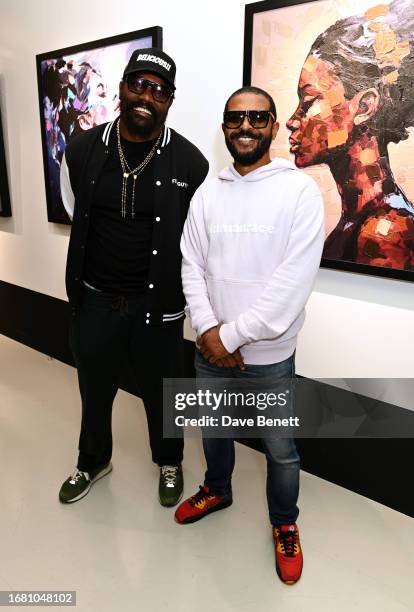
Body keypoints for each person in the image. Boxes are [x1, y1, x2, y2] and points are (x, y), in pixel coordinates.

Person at [176, 86, 324, 584]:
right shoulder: (207, 193)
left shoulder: (298, 192)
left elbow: (291, 285)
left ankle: (285, 523)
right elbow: (191, 265)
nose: (245, 127)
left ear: (274, 127)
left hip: (269, 355)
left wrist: (231, 336)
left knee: (281, 450)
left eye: (257, 118)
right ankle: (217, 489)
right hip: (210, 348)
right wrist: (207, 330)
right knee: (214, 432)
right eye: (235, 118)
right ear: (224, 128)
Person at [58, 48, 209, 507]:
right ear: (123, 89)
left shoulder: (190, 163)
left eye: (159, 90)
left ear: (170, 100)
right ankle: (92, 460)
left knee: (164, 395)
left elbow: (195, 238)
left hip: (157, 305)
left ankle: (169, 461)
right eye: (138, 85)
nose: (147, 96)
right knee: (94, 389)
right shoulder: (84, 148)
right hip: (96, 299)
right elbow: (72, 208)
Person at [287, 0, 414, 269]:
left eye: (309, 102)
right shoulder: (360, 220)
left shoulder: (386, 232)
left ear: (364, 107)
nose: (291, 121)